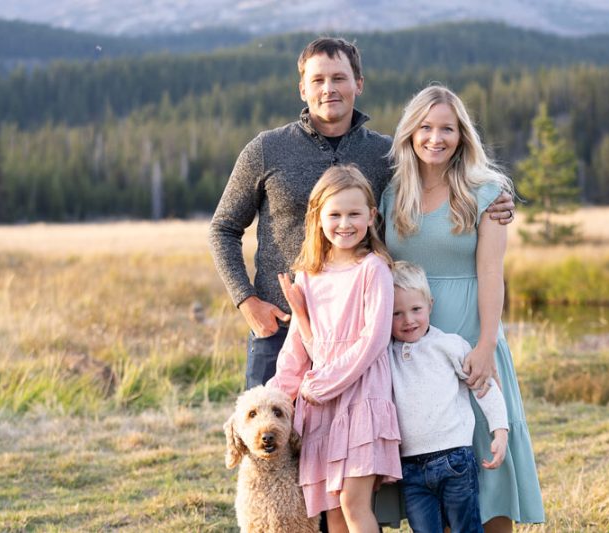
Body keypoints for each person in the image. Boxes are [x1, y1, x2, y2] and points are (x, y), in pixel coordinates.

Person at [208, 37, 516, 392]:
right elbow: (223, 229)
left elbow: (439, 173)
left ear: (359, 84)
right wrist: (246, 301)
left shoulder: (386, 155)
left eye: (339, 78)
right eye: (318, 80)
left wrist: (493, 196)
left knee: (352, 441)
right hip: (281, 324)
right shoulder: (266, 149)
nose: (328, 89)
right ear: (302, 89)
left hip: (360, 335)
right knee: (268, 441)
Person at [379, 85, 544, 532]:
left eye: (447, 128)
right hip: (412, 342)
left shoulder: (485, 191)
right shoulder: (393, 194)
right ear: (411, 133)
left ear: (462, 135)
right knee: (431, 453)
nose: (436, 138)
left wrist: (487, 343)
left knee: (484, 458)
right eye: (426, 128)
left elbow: (491, 271)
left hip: (471, 330)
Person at [267, 164, 402, 533]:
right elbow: (300, 345)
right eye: (335, 214)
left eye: (354, 214)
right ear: (318, 218)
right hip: (320, 408)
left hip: (360, 397)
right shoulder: (309, 273)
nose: (345, 223)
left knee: (353, 502)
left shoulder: (373, 269)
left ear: (371, 216)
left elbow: (373, 340)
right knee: (332, 511)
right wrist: (278, 396)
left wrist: (325, 384)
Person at [390, 260, 509, 533]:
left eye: (416, 309)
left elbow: (484, 387)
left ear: (430, 305)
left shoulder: (449, 345)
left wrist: (500, 432)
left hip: (455, 460)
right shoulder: (387, 354)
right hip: (411, 469)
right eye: (397, 313)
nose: (408, 320)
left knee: (466, 528)